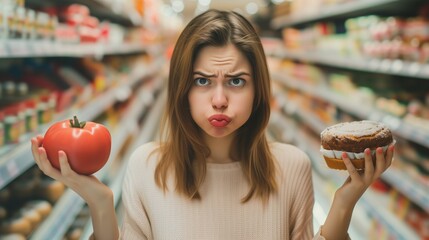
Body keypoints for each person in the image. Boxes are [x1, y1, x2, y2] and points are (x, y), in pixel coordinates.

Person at [31, 9, 394, 240]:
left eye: (236, 81)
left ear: (258, 90)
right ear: (181, 89)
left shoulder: (291, 166)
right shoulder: (146, 166)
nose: (219, 99)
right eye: (202, 80)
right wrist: (100, 202)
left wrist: (345, 202)